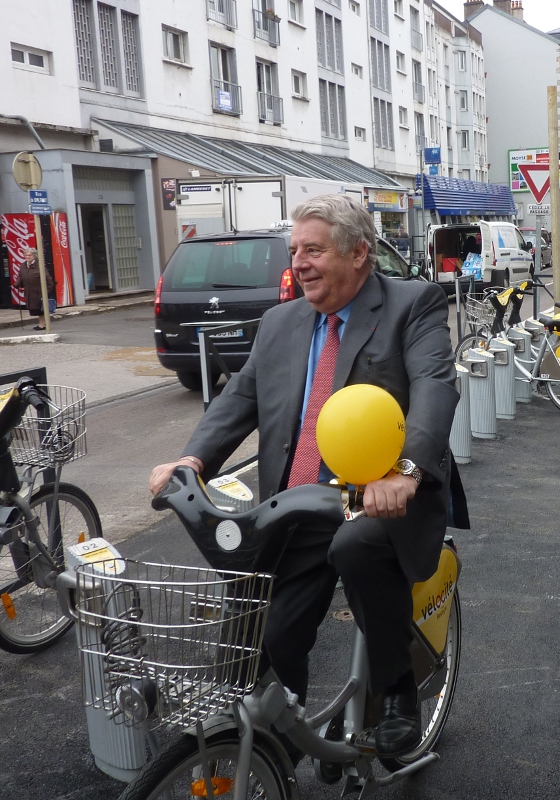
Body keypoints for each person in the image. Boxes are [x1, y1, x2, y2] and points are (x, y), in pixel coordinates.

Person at [148, 194, 467, 758]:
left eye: (314, 250)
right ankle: (283, 723)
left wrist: (408, 472)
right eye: (295, 250)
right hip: (293, 506)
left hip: (378, 499)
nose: (299, 261)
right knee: (269, 635)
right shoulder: (279, 322)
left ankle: (396, 690)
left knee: (358, 547)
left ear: (359, 253)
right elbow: (240, 396)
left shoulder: (412, 305)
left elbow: (434, 389)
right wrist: (191, 460)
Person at [15, 248, 54, 330]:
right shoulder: (23, 265)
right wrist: (17, 284)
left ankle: (42, 324)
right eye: (26, 255)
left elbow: (48, 279)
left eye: (29, 255)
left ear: (34, 256)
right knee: (35, 310)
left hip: (39, 292)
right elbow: (21, 276)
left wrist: (47, 291)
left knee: (41, 309)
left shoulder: (39, 265)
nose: (27, 257)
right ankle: (41, 324)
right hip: (29, 292)